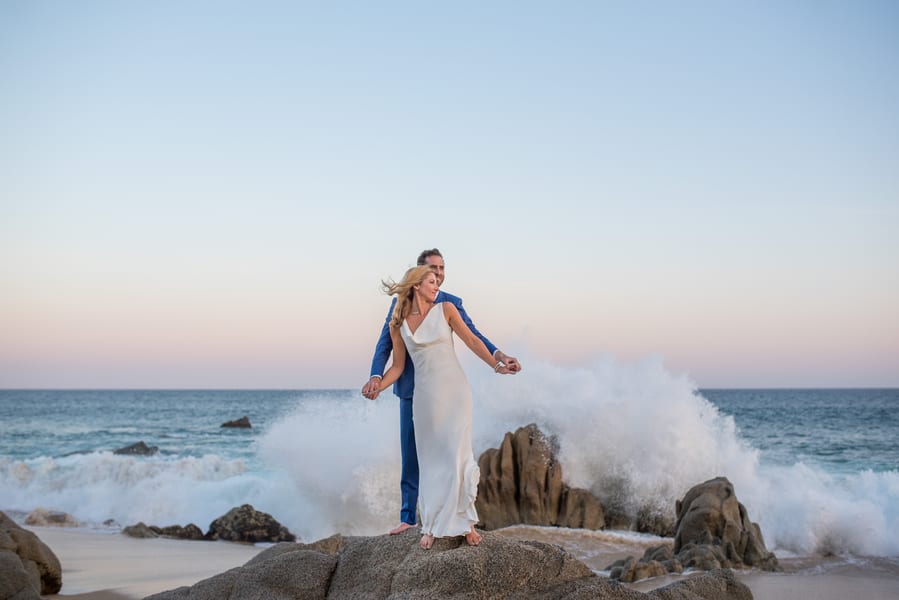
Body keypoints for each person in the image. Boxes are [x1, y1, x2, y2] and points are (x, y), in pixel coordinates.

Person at [361, 248, 521, 537]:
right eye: (433, 270)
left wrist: (498, 358)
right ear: (418, 274)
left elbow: (473, 337)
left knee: (453, 451)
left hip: (451, 389)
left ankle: (460, 520)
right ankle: (411, 518)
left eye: (442, 269)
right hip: (415, 391)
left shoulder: (450, 303)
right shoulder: (399, 310)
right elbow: (384, 346)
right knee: (415, 456)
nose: (439, 275)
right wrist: (376, 379)